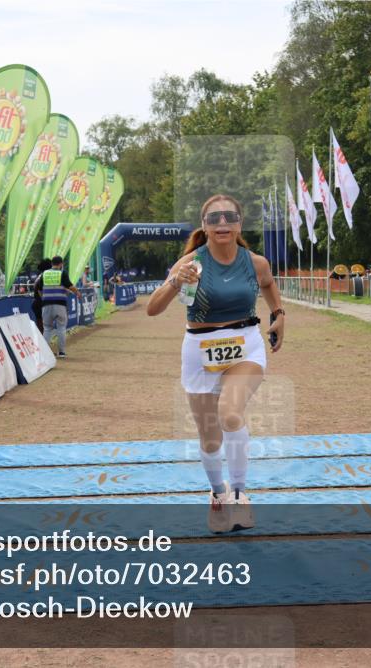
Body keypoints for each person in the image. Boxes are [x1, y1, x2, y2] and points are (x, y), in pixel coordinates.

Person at [146, 193, 285, 533]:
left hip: (245, 345)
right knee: (210, 438)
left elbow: (267, 284)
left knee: (230, 413)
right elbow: (153, 308)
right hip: (199, 349)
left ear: (239, 223)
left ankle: (239, 494)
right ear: (204, 226)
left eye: (229, 217)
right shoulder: (191, 262)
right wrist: (178, 280)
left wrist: (279, 314)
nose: (222, 224)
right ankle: (218, 494)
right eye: (214, 218)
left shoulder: (256, 262)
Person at [34, 255, 79, 358]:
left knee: (47, 329)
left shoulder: (44, 274)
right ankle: (62, 352)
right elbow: (69, 285)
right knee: (61, 328)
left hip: (46, 305)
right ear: (61, 264)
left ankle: (44, 353)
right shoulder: (62, 273)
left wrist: (44, 298)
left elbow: (39, 289)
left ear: (52, 264)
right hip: (60, 305)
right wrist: (77, 292)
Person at [31, 258, 53, 334]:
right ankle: (43, 343)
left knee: (42, 326)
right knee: (43, 327)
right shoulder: (44, 277)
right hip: (40, 304)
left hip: (38, 303)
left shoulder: (41, 276)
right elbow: (40, 291)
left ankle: (42, 342)